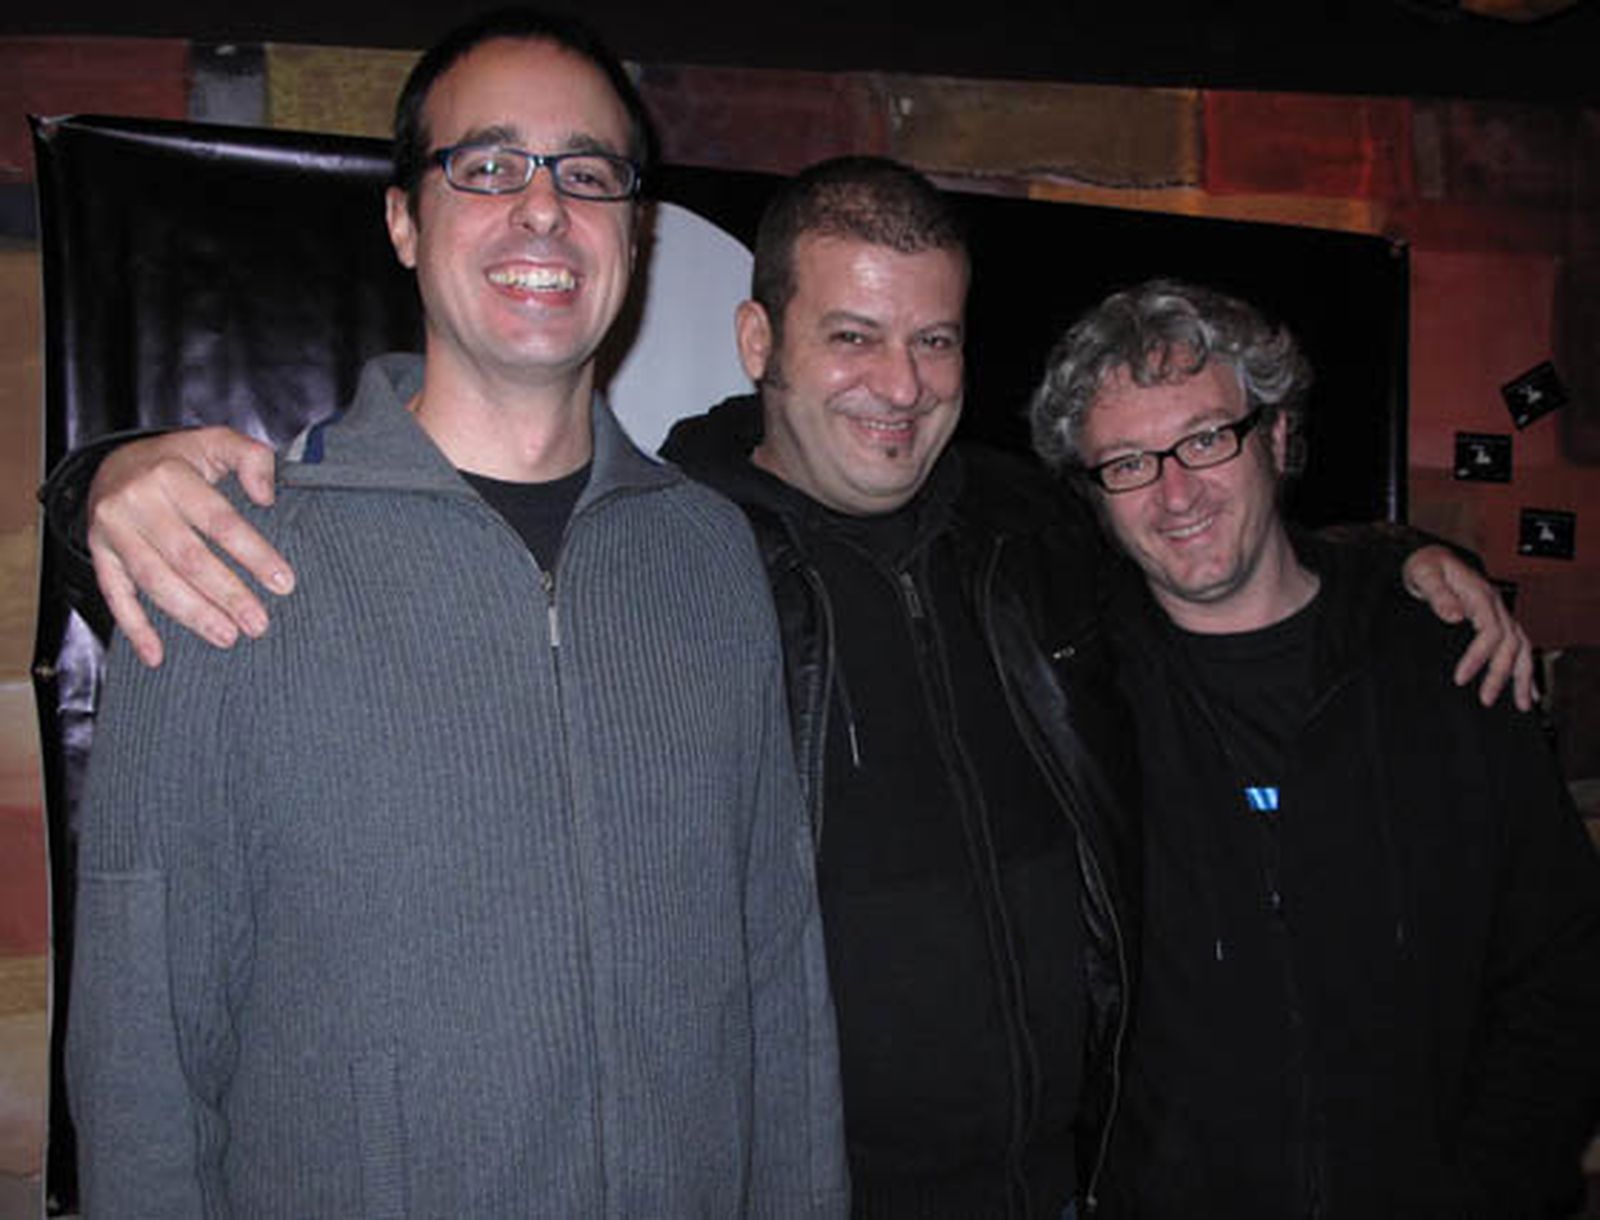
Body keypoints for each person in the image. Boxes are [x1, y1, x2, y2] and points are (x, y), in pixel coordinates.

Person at [51, 159, 1532, 1218]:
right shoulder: (673, 548)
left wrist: (1401, 553)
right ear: (762, 341)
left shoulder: (1032, 530)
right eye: (852, 336)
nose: (900, 384)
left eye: (934, 337)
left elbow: (1206, 534)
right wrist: (93, 485)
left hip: (1070, 1180)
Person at [63, 10, 847, 1216]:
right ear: (402, 222)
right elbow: (142, 1059)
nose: (543, 208)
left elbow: (777, 977)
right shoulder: (224, 558)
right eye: (485, 165)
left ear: (631, 233)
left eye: (588, 174)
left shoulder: (709, 558)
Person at [1029, 278, 1600, 1219]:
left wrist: (1490, 1191)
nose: (1175, 495)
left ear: (1280, 437)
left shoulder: (1446, 664)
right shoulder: (1071, 692)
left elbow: (1560, 966)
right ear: (1094, 495)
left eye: (1208, 439)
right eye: (1127, 462)